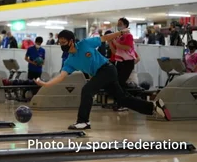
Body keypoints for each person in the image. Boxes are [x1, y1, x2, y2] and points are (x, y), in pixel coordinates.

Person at [34, 29, 171, 130]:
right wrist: (46, 84)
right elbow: (61, 76)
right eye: (60, 42)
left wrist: (120, 33)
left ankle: (83, 121)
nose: (61, 44)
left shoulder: (85, 43)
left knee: (87, 90)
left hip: (107, 69)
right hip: (101, 74)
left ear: (71, 41)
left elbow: (104, 38)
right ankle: (153, 107)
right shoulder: (70, 61)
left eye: (63, 42)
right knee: (122, 99)